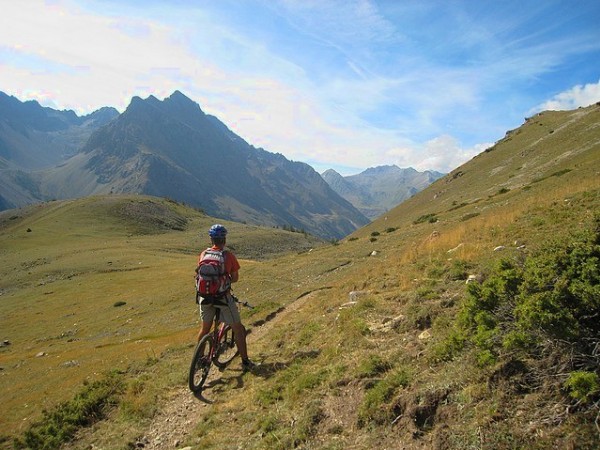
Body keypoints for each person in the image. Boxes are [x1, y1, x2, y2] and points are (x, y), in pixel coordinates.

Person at [195, 224, 254, 371]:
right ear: (224, 239)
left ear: (211, 239)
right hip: (222, 297)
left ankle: (199, 359)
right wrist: (224, 280)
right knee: (238, 329)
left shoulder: (203, 254)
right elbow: (235, 278)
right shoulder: (228, 256)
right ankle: (246, 362)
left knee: (204, 330)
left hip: (204, 297)